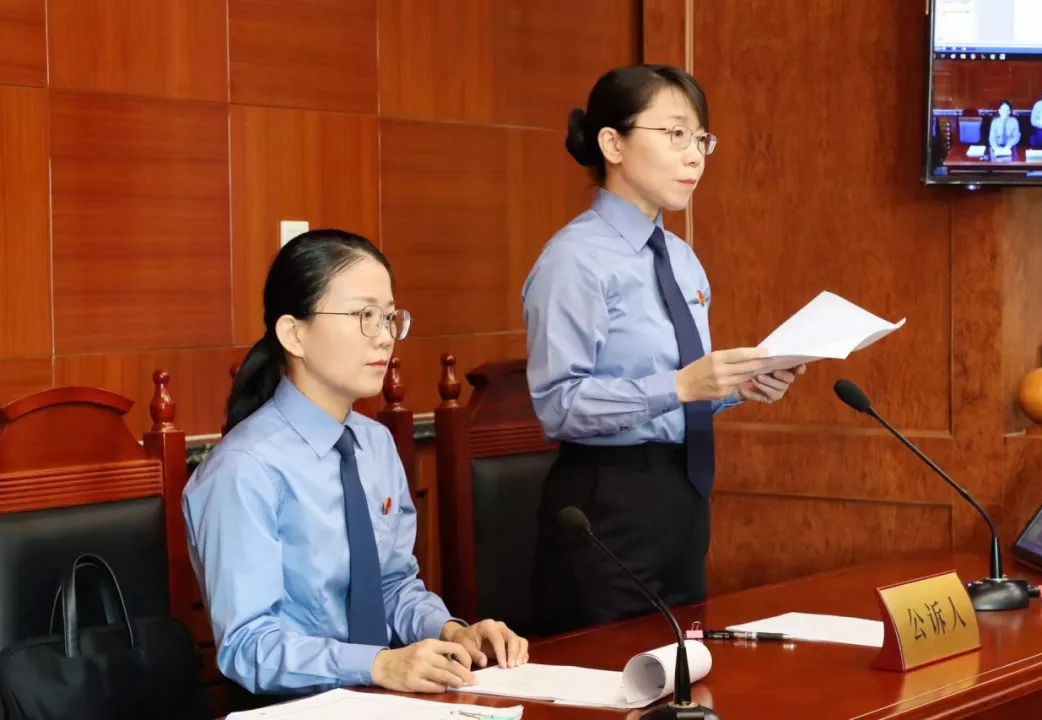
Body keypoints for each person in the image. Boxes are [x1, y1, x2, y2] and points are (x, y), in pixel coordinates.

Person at [183, 229, 527, 704]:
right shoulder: (244, 469)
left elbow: (392, 585)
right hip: (293, 708)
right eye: (364, 316)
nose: (384, 336)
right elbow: (247, 645)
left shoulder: (375, 444)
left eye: (389, 317)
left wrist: (451, 631)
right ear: (294, 334)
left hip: (382, 699)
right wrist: (377, 664)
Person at [522, 64, 805, 637]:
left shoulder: (680, 256)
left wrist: (736, 386)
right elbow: (558, 405)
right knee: (611, 673)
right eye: (675, 134)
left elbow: (681, 391)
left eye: (701, 138)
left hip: (683, 500)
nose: (694, 155)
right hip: (604, 508)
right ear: (613, 144)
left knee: (683, 668)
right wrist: (680, 386)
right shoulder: (574, 259)